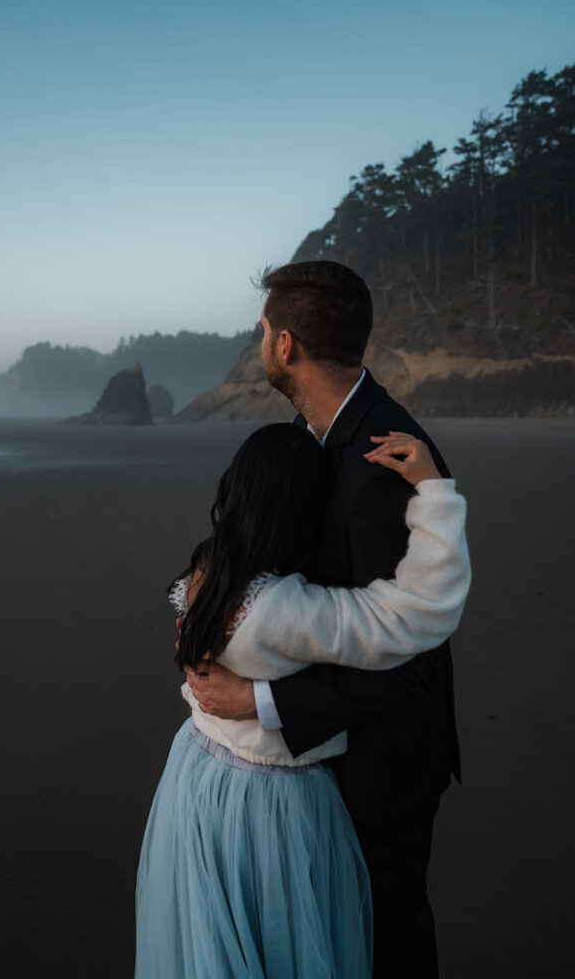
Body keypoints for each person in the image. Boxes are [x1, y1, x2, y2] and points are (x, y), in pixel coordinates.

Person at [186, 260, 462, 979]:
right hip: (319, 754)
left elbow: (417, 656)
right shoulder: (315, 433)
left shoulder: (382, 457)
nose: (259, 343)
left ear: (284, 346)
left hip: (380, 762)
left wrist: (263, 701)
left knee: (384, 937)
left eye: (260, 330)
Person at [135, 423, 470, 979]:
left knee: (213, 946)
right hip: (268, 803)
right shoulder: (285, 608)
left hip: (194, 780)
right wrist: (435, 491)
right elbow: (417, 613)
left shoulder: (207, 569)